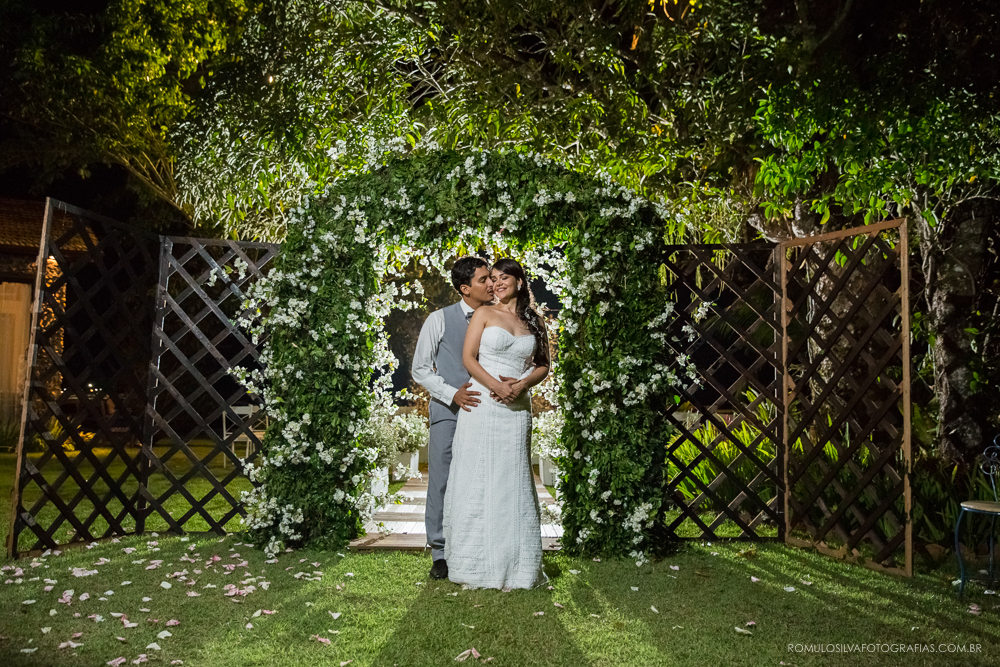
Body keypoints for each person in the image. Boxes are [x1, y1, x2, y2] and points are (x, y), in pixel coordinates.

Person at [442, 258, 550, 590]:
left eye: (504, 277)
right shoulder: (484, 314)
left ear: (519, 282)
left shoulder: (535, 322)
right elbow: (468, 358)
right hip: (485, 404)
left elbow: (544, 365)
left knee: (512, 477)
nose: (497, 283)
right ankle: (473, 562)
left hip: (517, 410)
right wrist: (497, 385)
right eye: (493, 278)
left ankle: (517, 563)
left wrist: (521, 385)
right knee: (478, 475)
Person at [411, 256, 494, 580]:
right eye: (484, 279)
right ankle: (441, 553)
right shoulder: (438, 319)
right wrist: (451, 394)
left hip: (487, 412)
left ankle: (479, 544)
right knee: (442, 480)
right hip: (448, 412)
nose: (491, 284)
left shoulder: (497, 317)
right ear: (464, 288)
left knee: (483, 479)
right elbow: (420, 368)